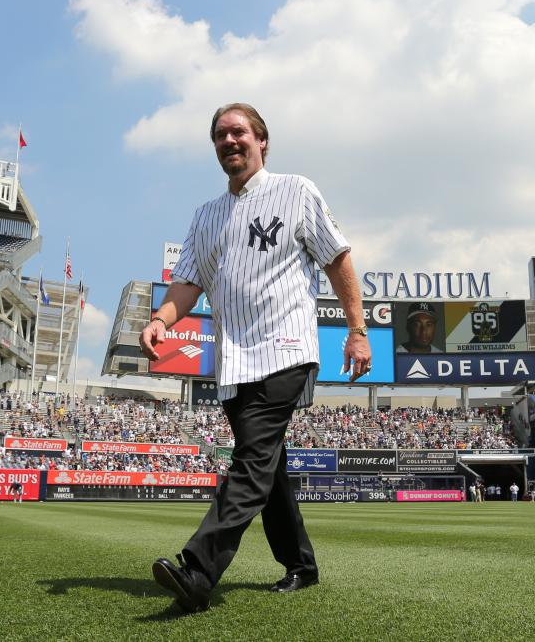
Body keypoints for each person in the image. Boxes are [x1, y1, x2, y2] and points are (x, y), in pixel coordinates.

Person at [142, 103, 371, 613]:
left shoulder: (297, 190)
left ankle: (199, 572)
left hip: (287, 348)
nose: (230, 141)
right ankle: (301, 565)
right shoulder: (206, 215)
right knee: (268, 467)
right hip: (233, 360)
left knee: (250, 463)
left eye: (239, 132)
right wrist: (162, 320)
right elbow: (188, 282)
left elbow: (338, 259)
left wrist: (357, 331)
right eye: (220, 135)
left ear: (262, 141)